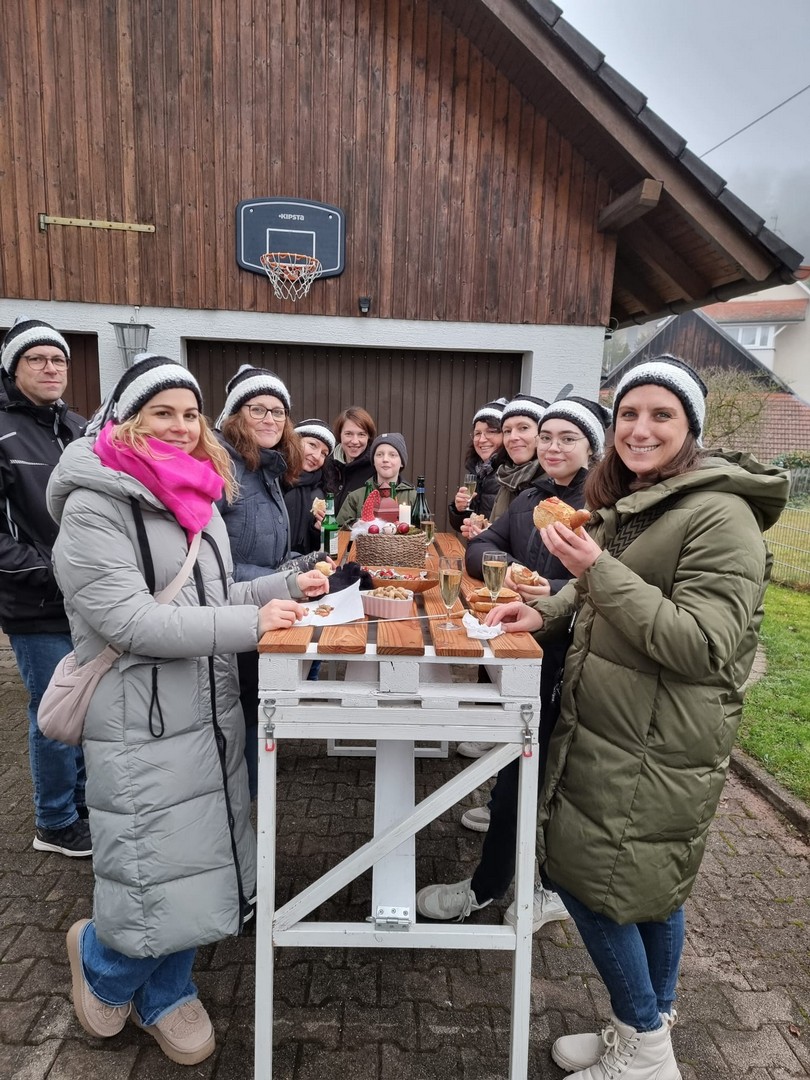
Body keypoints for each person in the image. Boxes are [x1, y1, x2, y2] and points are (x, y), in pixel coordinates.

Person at [487, 357, 789, 1080]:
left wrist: (593, 568)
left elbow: (704, 645)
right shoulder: (647, 499)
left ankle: (646, 1051)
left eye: (661, 415)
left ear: (691, 430)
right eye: (628, 413)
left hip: (658, 740)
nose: (639, 428)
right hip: (622, 729)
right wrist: (546, 611)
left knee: (590, 885)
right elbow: (614, 589)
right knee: (652, 889)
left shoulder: (721, 516)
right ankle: (642, 1030)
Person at [47, 355, 318, 1066]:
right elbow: (131, 622)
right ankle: (104, 962)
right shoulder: (93, 506)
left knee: (199, 855)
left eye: (189, 414)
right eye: (160, 412)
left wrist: (286, 589)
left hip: (207, 705)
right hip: (137, 717)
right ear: (125, 420)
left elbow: (211, 600)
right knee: (152, 860)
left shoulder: (194, 493)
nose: (179, 426)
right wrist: (251, 626)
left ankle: (168, 989)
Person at [418, 396, 610, 932]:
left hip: (580, 659)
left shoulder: (603, 506)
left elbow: (610, 578)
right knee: (521, 763)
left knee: (549, 777)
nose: (552, 446)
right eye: (547, 436)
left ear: (592, 448)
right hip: (531, 650)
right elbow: (478, 549)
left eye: (567, 438)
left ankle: (523, 888)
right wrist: (519, 572)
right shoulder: (531, 497)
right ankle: (502, 878)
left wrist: (552, 587)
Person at [215, 368, 330, 798]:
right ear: (235, 415)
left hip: (260, 608)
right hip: (232, 614)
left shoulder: (266, 469)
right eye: (257, 409)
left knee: (254, 702)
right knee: (242, 706)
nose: (269, 419)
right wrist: (285, 580)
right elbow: (216, 566)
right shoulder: (223, 469)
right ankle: (243, 797)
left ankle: (250, 788)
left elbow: (268, 555)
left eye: (278, 411)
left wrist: (308, 565)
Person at [0, 316, 90, 858]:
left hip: (87, 598)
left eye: (58, 359)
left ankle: (79, 804)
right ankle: (54, 821)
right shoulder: (2, 432)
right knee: (53, 712)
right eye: (36, 358)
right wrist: (55, 569)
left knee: (83, 704)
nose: (50, 367)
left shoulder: (77, 428)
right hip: (36, 600)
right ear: (13, 368)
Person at [463, 393, 548, 541]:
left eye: (523, 428)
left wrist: (490, 538)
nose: (513, 437)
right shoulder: (506, 478)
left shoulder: (555, 482)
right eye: (508, 431)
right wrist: (460, 512)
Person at [448, 397, 507, 533]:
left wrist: (487, 534)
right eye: (477, 433)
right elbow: (462, 526)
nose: (481, 439)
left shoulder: (510, 474)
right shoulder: (478, 470)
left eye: (491, 431)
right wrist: (459, 509)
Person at [336, 432, 416, 526]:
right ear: (373, 461)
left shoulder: (413, 497)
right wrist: (357, 524)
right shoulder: (355, 497)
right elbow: (339, 530)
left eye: (392, 455)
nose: (385, 459)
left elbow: (425, 529)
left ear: (402, 462)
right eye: (379, 454)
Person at [284, 418, 336, 556]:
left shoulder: (320, 491)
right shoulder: (271, 477)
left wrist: (318, 530)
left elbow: (317, 549)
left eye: (324, 453)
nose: (317, 456)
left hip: (299, 563)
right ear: (294, 441)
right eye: (312, 445)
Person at [322, 405, 377, 513]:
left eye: (361, 434)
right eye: (348, 434)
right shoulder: (326, 463)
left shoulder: (375, 467)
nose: (355, 441)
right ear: (340, 435)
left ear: (368, 437)